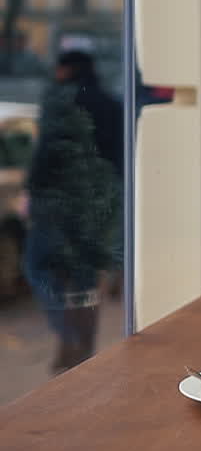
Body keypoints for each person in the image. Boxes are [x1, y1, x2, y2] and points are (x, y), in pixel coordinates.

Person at [23, 49, 123, 373]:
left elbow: (46, 152)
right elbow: (121, 159)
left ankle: (67, 332)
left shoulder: (59, 101)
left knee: (39, 267)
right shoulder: (111, 104)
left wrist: (33, 191)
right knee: (84, 278)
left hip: (58, 202)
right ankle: (83, 347)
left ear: (65, 70)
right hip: (96, 206)